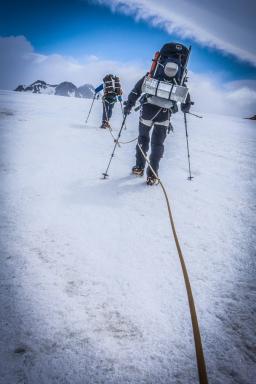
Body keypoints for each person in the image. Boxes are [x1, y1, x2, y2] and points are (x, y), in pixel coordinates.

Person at [123, 42, 193, 185]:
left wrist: (129, 105)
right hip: (164, 114)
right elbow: (185, 98)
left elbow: (137, 89)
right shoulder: (179, 79)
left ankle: (139, 168)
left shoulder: (153, 74)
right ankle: (152, 175)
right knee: (157, 145)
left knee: (143, 139)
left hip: (147, 111)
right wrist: (186, 108)